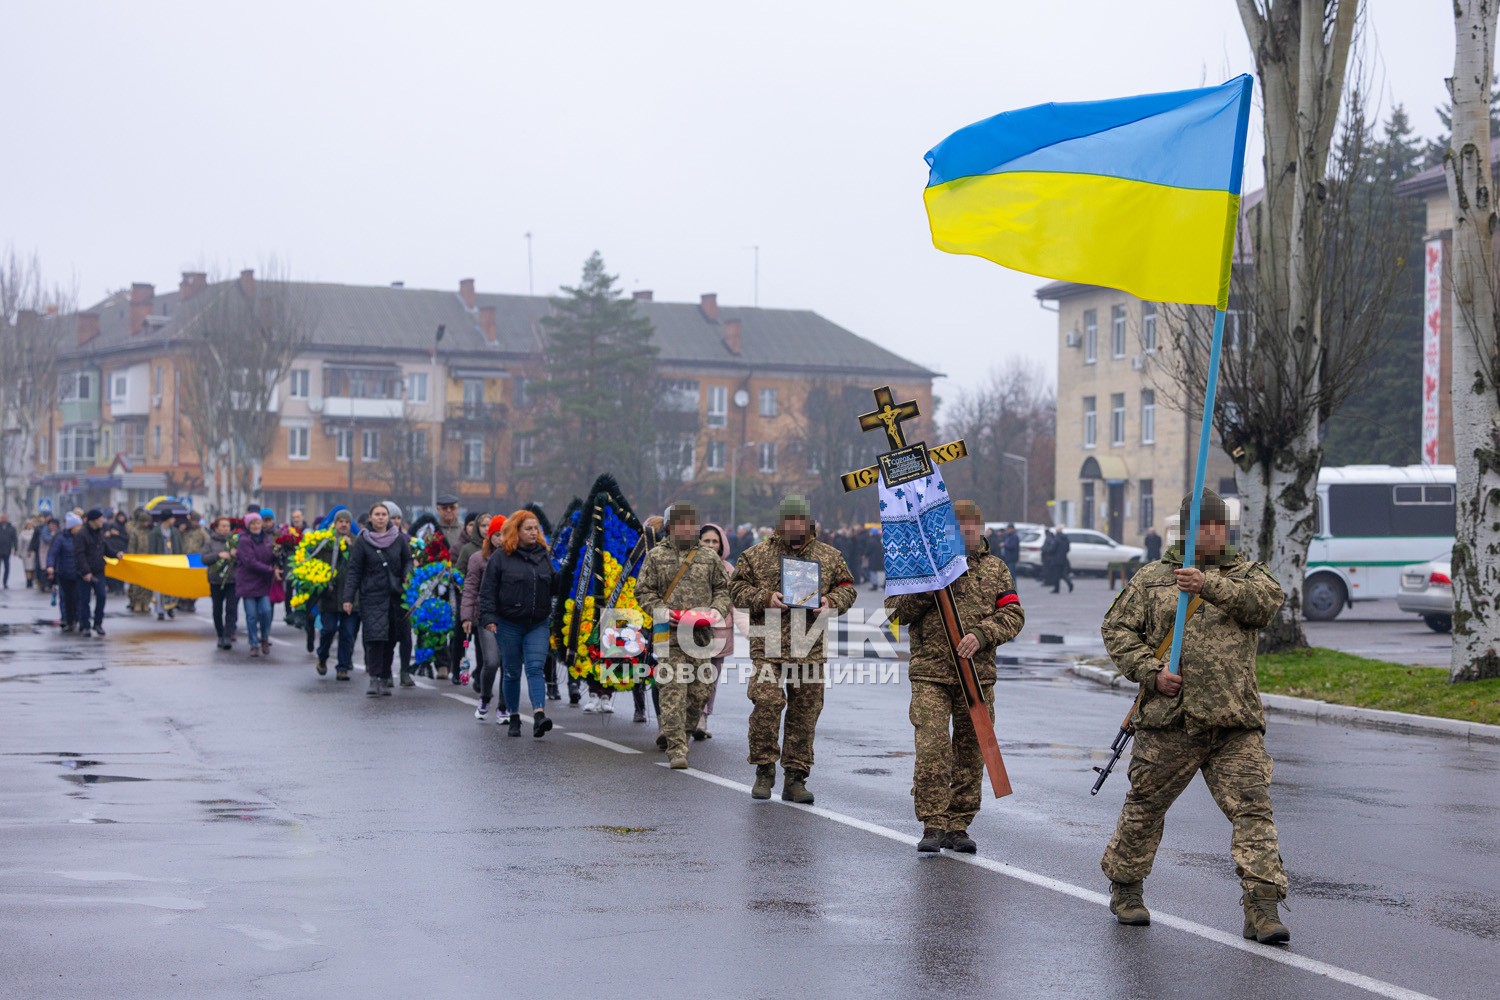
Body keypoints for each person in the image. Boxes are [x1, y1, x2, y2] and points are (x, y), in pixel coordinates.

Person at [1099, 489, 1290, 944]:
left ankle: (1261, 908)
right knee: (1145, 809)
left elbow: (1265, 606)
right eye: (1203, 525)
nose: (1212, 533)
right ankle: (1126, 888)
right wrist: (1151, 672)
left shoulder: (1247, 574)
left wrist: (1209, 586)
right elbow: (1116, 629)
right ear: (1187, 529)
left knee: (1253, 811)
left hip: (1233, 722)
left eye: (1218, 525)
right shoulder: (1152, 579)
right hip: (1171, 721)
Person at [886, 500, 1025, 854]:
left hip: (977, 676)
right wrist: (928, 590)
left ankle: (958, 823)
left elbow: (1013, 614)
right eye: (957, 526)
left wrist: (983, 633)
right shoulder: (922, 566)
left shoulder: (995, 569)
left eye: (970, 526)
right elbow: (895, 614)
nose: (964, 532)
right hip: (930, 673)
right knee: (932, 748)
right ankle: (932, 823)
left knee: (971, 751)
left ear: (980, 529)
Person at [730, 496, 855, 802]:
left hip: (808, 646)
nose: (795, 527)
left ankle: (795, 778)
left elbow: (847, 588)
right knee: (766, 705)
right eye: (789, 521)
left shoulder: (829, 555)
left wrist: (831, 602)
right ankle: (764, 769)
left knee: (805, 713)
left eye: (800, 521)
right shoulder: (756, 555)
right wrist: (764, 598)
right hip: (768, 645)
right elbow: (735, 589)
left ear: (808, 522)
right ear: (780, 523)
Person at [635, 502, 732, 770]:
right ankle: (676, 748)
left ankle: (685, 734)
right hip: (670, 633)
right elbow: (643, 592)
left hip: (701, 635)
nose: (688, 528)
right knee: (673, 690)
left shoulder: (709, 557)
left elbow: (724, 591)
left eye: (692, 523)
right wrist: (664, 613)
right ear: (669, 527)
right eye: (681, 524)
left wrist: (714, 612)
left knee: (699, 692)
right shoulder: (656, 556)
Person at [478, 510, 556, 737]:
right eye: (528, 529)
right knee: (511, 672)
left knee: (535, 669)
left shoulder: (544, 555)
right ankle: (513, 716)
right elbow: (487, 590)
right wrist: (489, 618)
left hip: (537, 623)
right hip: (508, 623)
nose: (533, 533)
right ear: (516, 531)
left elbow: (554, 586)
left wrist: (567, 574)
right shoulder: (501, 557)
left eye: (536, 529)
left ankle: (539, 715)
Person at [343, 502, 413, 696]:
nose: (381, 517)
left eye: (384, 514)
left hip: (395, 596)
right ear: (371, 517)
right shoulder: (362, 541)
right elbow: (354, 570)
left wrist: (408, 573)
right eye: (377, 514)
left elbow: (407, 559)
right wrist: (348, 598)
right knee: (375, 637)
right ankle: (374, 679)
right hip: (371, 596)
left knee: (390, 638)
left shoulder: (398, 538)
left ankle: (384, 677)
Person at [694, 522, 738, 739]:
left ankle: (703, 717)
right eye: (706, 541)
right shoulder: (689, 564)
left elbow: (736, 601)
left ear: (721, 545)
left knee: (710, 677)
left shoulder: (729, 569)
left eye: (715, 541)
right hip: (691, 631)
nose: (711, 545)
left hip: (720, 632)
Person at [463, 516, 507, 721]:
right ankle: (485, 697)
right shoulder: (478, 558)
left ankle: (504, 706)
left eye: (504, 534)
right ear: (489, 537)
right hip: (486, 615)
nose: (501, 539)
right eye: (497, 534)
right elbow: (470, 588)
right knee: (491, 661)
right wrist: (467, 616)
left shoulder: (514, 558)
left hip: (510, 617)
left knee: (509, 664)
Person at [315, 509, 359, 681]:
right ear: (335, 523)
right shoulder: (325, 542)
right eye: (340, 521)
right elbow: (315, 561)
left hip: (351, 598)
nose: (343, 524)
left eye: (347, 522)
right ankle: (322, 656)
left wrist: (351, 547)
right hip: (330, 596)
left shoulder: (357, 542)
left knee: (348, 633)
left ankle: (342, 666)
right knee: (328, 630)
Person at [381, 500, 416, 684]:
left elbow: (409, 560)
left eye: (398, 518)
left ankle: (405, 672)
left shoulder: (405, 540)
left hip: (402, 593)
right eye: (391, 517)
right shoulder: (377, 538)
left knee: (405, 635)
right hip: (383, 593)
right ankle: (386, 673)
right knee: (388, 636)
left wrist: (408, 573)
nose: (395, 521)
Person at [235, 511, 278, 657]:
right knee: (251, 615)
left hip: (262, 582)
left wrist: (279, 553)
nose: (256, 526)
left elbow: (270, 556)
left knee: (266, 611)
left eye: (258, 523)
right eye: (252, 523)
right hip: (248, 582)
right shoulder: (244, 540)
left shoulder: (266, 539)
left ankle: (264, 638)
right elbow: (250, 562)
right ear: (248, 525)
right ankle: (253, 643)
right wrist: (270, 570)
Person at [432, 492, 465, 682]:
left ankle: (456, 660)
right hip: (438, 584)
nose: (449, 512)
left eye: (452, 508)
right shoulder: (433, 530)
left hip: (459, 583)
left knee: (459, 624)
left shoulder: (462, 530)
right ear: (438, 509)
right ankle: (442, 663)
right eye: (445, 508)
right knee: (439, 623)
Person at [204, 516, 239, 650]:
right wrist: (219, 555)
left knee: (231, 609)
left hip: (232, 580)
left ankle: (227, 636)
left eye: (227, 526)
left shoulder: (234, 541)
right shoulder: (210, 542)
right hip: (216, 580)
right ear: (217, 527)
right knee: (217, 610)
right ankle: (220, 633)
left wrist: (235, 555)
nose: (225, 528)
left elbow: (243, 559)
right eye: (222, 526)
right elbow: (204, 558)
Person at [47, 513, 84, 634]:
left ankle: (78, 620)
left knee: (78, 598)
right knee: (65, 598)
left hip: (78, 573)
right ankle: (68, 620)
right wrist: (50, 566)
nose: (80, 528)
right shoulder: (60, 538)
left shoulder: (81, 537)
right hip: (64, 573)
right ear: (72, 527)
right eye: (78, 526)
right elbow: (53, 553)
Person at [74, 509, 108, 637]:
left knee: (102, 596)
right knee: (84, 600)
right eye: (100, 519)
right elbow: (79, 554)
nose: (102, 521)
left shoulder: (100, 533)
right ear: (93, 520)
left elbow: (105, 548)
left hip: (99, 571)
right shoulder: (81, 534)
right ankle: (85, 625)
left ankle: (98, 623)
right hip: (84, 574)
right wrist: (86, 571)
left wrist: (116, 554)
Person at [148, 509, 184, 620]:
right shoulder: (155, 532)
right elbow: (151, 549)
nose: (174, 520)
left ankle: (171, 607)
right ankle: (160, 611)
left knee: (172, 586)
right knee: (159, 588)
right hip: (160, 563)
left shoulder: (174, 531)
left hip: (172, 563)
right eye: (172, 518)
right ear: (168, 519)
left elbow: (179, 546)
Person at [124, 509, 152, 611]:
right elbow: (131, 547)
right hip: (138, 560)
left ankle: (146, 603)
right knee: (137, 584)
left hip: (148, 561)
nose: (146, 523)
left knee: (147, 584)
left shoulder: (150, 532)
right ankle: (137, 602)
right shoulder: (135, 532)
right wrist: (132, 559)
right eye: (144, 521)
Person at [103, 511, 129, 594]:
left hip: (123, 550)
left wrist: (118, 534)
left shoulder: (126, 527)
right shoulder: (112, 526)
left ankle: (120, 587)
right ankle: (115, 587)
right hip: (114, 549)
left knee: (122, 570)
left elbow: (127, 538)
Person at [0, 513, 17, 588]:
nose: (4, 519)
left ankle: (5, 582)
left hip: (7, 550)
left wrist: (16, 549)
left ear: (7, 519)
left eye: (5, 518)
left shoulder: (12, 528)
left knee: (7, 567)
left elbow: (15, 539)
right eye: (2, 518)